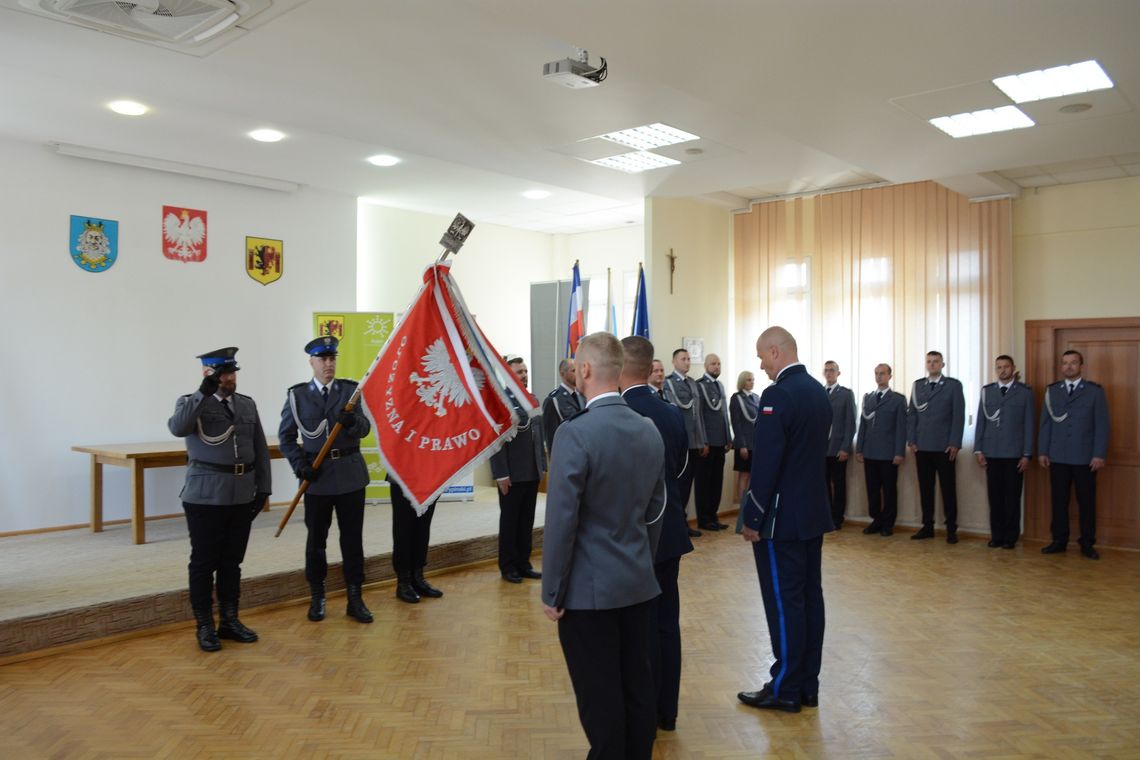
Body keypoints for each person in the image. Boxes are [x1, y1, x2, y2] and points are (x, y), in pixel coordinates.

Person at [542, 332, 666, 759]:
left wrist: (552, 591)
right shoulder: (648, 428)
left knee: (600, 701)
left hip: (588, 594)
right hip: (637, 583)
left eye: (577, 365)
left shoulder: (574, 433)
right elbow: (656, 509)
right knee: (637, 685)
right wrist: (641, 561)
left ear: (587, 370)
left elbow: (561, 523)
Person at [737, 327, 833, 713]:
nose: (760, 365)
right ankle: (807, 683)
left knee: (784, 603)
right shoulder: (816, 391)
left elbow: (767, 463)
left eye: (762, 356)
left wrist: (753, 515)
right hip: (811, 513)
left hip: (780, 520)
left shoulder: (778, 394)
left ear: (776, 352)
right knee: (810, 599)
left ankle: (785, 687)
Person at [167, 347, 271, 652]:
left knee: (232, 562)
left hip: (241, 494)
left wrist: (263, 487)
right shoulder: (189, 403)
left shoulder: (247, 405)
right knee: (203, 562)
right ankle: (204, 626)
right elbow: (177, 428)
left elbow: (259, 448)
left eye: (232, 372)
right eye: (223, 373)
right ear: (208, 373)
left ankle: (229, 620)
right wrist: (203, 393)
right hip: (205, 496)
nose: (229, 378)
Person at [619, 336, 693, 733]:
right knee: (667, 622)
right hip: (669, 531)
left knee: (635, 628)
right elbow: (681, 470)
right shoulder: (669, 412)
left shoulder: (616, 412)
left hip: (630, 537)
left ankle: (640, 712)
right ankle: (667, 710)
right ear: (650, 369)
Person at [278, 336, 374, 624]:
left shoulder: (350, 391)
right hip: (316, 479)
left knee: (352, 540)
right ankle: (317, 596)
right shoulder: (297, 396)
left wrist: (352, 423)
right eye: (322, 359)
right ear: (311, 362)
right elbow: (286, 437)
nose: (328, 364)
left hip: (349, 476)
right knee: (316, 541)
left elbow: (366, 428)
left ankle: (355, 598)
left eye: (332, 358)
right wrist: (300, 466)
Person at [1038, 350, 1110, 560]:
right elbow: (1045, 424)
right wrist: (1043, 450)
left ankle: (1087, 543)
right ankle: (1059, 540)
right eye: (1065, 363)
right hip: (1057, 456)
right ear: (1061, 366)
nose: (1068, 366)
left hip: (1085, 457)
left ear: (1081, 366)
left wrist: (1099, 454)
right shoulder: (1052, 391)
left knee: (1086, 502)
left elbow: (1102, 425)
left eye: (1073, 363)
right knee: (1058, 501)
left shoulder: (1094, 392)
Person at [491, 356, 546, 583]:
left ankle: (524, 563)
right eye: (518, 372)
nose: (523, 375)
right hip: (512, 474)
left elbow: (538, 436)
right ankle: (508, 566)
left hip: (531, 471)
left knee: (526, 520)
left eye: (524, 371)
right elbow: (497, 442)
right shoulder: (501, 402)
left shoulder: (532, 399)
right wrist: (501, 473)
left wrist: (541, 465)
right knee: (510, 521)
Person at [974, 355, 1035, 550]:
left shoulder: (1024, 393)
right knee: (995, 497)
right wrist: (978, 449)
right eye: (999, 367)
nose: (1002, 370)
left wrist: (1027, 454)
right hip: (992, 452)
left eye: (1006, 367)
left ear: (1013, 368)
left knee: (1012, 497)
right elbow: (981, 422)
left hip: (1014, 454)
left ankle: (1011, 537)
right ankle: (997, 535)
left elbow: (1028, 425)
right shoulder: (987, 392)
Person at [906, 350, 965, 543]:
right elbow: (912, 415)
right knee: (925, 488)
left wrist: (955, 442)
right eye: (929, 361)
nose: (932, 365)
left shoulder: (953, 386)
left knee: (948, 489)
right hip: (922, 446)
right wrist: (912, 440)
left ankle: (951, 529)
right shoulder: (917, 386)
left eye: (936, 362)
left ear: (942, 364)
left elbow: (958, 416)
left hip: (944, 446)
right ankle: (927, 526)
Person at [855, 364, 907, 536]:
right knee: (872, 489)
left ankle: (888, 523)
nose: (879, 377)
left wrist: (899, 452)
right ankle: (876, 520)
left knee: (889, 489)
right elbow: (863, 425)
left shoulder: (898, 399)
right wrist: (859, 448)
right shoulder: (868, 398)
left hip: (888, 453)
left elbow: (901, 428)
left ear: (889, 376)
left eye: (882, 374)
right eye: (876, 374)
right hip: (869, 452)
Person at [663, 348, 706, 537]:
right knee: (679, 486)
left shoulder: (692, 383)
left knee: (688, 486)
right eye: (683, 359)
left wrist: (703, 440)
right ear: (674, 361)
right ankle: (677, 524)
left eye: (689, 359)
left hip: (694, 442)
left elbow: (699, 416)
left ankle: (684, 523)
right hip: (681, 441)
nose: (687, 362)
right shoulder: (669, 383)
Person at [388, 476, 443, 602]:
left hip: (429, 479)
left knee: (423, 528)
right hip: (401, 476)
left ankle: (418, 578)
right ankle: (403, 582)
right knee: (403, 529)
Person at [694, 353, 732, 531]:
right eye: (713, 364)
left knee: (717, 482)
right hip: (707, 443)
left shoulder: (720, 385)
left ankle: (713, 516)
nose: (717, 367)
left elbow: (724, 414)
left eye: (719, 363)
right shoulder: (699, 385)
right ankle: (704, 519)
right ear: (705, 366)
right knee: (704, 483)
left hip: (720, 442)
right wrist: (703, 441)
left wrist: (728, 438)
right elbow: (699, 416)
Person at [822, 361, 856, 529]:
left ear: (838, 373)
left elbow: (850, 423)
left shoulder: (846, 394)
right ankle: (825, 516)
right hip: (820, 449)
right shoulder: (819, 393)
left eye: (832, 370)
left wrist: (845, 447)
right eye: (826, 370)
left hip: (838, 448)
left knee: (839, 485)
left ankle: (837, 518)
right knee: (823, 484)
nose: (829, 373)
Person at [730, 371, 760, 505]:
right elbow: (736, 423)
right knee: (744, 475)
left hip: (756, 444)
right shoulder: (737, 398)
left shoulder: (756, 397)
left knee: (754, 476)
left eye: (753, 379)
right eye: (748, 380)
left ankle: (751, 506)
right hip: (744, 444)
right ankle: (742, 508)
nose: (752, 382)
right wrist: (742, 445)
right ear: (742, 381)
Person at [541, 358, 582, 454]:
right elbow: (551, 438)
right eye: (573, 370)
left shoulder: (582, 396)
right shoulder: (554, 400)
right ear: (562, 373)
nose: (577, 374)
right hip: (566, 454)